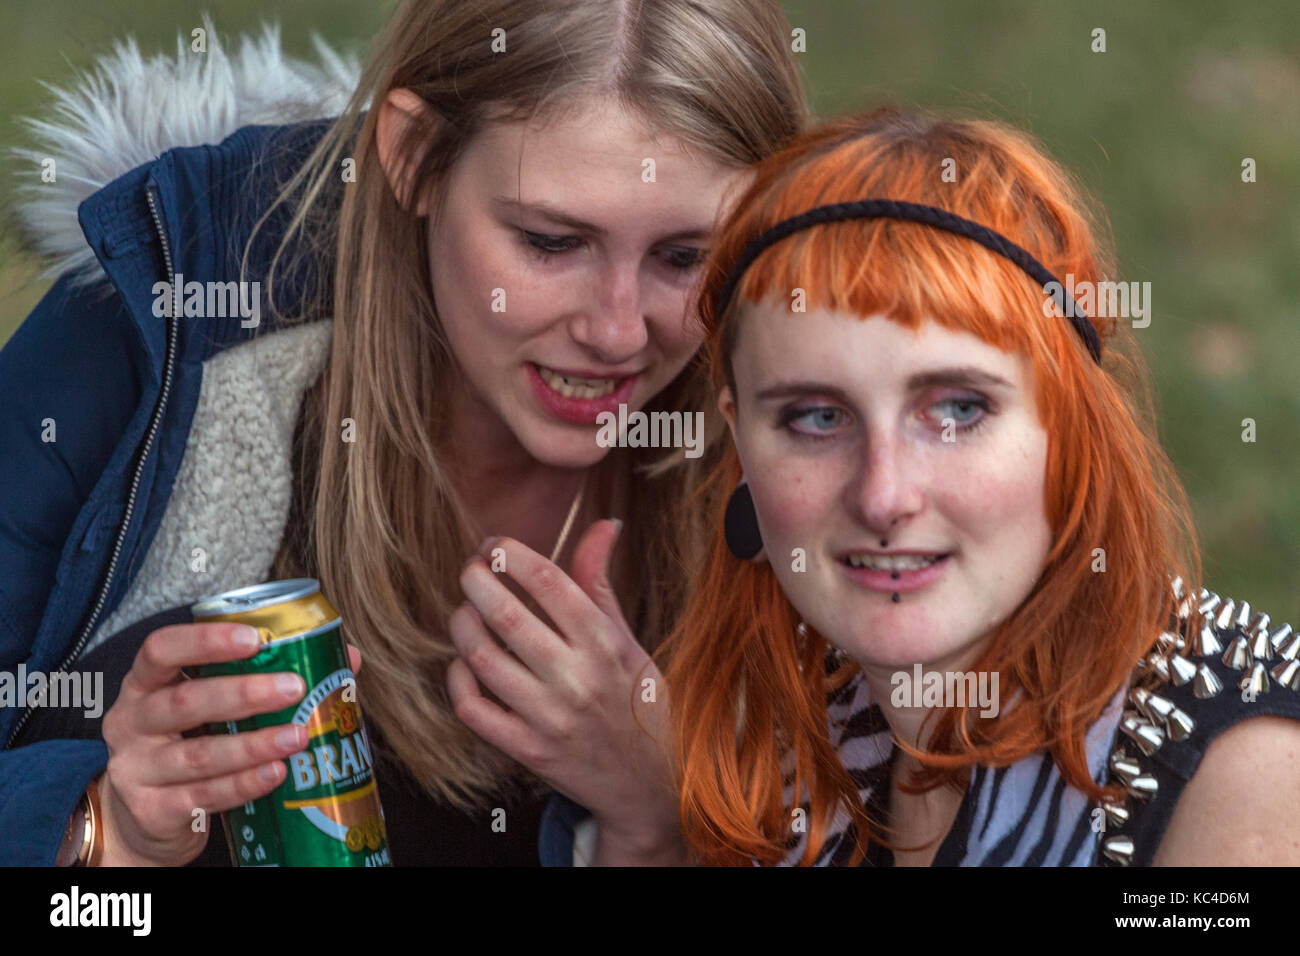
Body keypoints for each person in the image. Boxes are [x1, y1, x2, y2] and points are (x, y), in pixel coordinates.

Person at [0, 0, 808, 865]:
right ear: (414, 157)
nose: (617, 331)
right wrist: (98, 833)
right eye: (550, 242)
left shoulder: (822, 426)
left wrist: (666, 810)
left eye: (684, 258)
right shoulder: (166, 320)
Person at [640, 106, 1297, 866]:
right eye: (817, 416)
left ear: (1069, 428)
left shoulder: (1246, 782)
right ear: (740, 437)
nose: (884, 495)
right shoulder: (801, 730)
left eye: (957, 408)